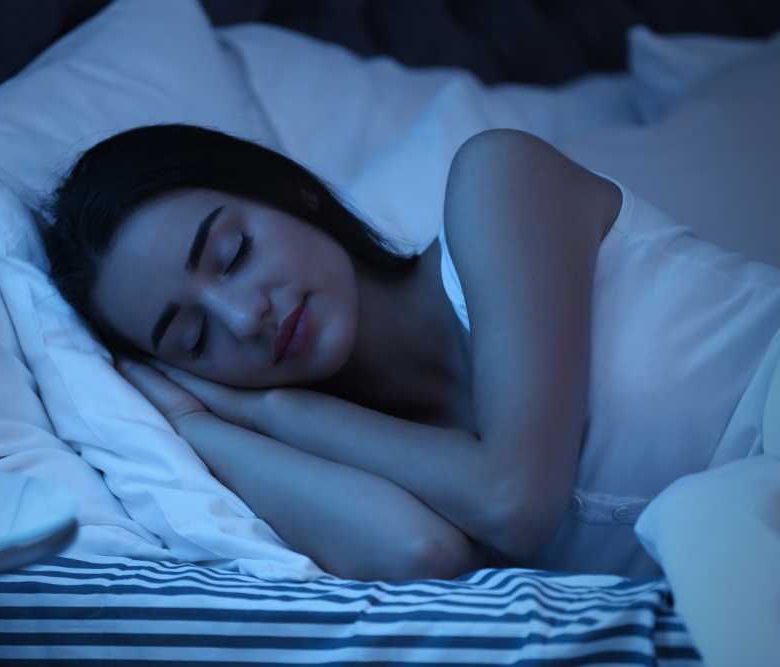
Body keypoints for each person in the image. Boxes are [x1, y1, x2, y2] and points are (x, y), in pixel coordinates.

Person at [39, 123, 780, 583]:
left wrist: (274, 405)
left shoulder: (498, 180)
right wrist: (208, 426)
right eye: (193, 338)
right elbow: (418, 552)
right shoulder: (377, 455)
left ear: (293, 193)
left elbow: (514, 501)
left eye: (232, 252)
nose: (243, 317)